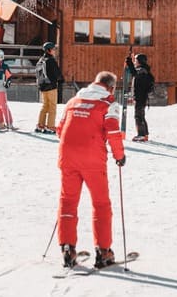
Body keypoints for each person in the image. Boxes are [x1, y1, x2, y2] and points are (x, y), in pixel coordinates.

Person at [56, 70, 126, 269]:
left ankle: (67, 248)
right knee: (101, 204)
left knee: (68, 202)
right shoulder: (108, 103)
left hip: (67, 157)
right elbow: (113, 130)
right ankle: (103, 251)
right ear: (111, 87)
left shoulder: (73, 101)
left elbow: (60, 130)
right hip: (93, 160)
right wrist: (119, 156)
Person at [125, 51, 155, 141]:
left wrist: (129, 62)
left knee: (138, 116)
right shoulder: (144, 70)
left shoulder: (142, 70)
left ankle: (141, 135)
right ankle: (144, 134)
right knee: (141, 115)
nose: (135, 62)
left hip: (140, 97)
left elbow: (134, 73)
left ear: (140, 61)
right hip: (141, 96)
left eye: (136, 60)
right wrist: (130, 61)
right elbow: (134, 72)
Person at [36, 41, 64, 134]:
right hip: (51, 86)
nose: (54, 51)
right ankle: (50, 126)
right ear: (49, 50)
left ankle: (40, 125)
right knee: (52, 107)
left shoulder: (40, 60)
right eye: (53, 49)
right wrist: (61, 80)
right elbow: (57, 73)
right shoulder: (51, 60)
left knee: (45, 106)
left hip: (43, 87)